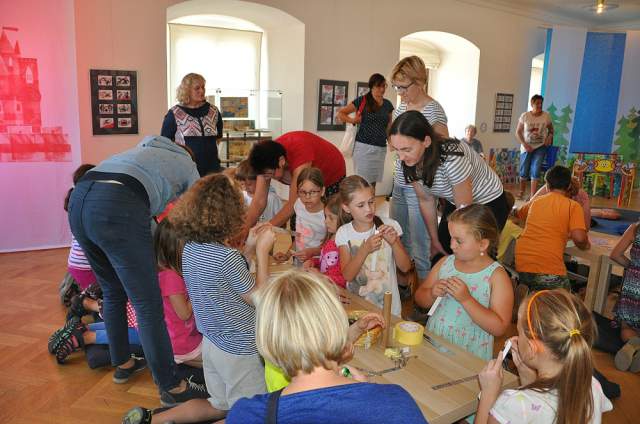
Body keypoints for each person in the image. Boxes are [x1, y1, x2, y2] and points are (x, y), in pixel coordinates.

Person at [128, 174, 276, 423]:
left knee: (218, 405)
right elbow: (260, 298)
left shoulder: (190, 249)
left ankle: (151, 420)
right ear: (231, 213)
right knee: (250, 414)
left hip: (212, 345)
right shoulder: (227, 257)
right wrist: (262, 253)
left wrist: (249, 248)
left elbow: (224, 281)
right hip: (240, 349)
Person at [67, 135, 204, 404]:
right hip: (117, 204)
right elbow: (198, 218)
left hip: (79, 200)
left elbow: (147, 221)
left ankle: (123, 363)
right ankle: (172, 387)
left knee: (113, 291)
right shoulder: (188, 165)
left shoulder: (143, 151)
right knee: (148, 305)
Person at [225, 270, 428, 424]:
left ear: (267, 341)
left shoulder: (246, 415)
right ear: (338, 325)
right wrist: (370, 393)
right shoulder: (395, 402)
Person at [476, 289, 613, 424]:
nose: (517, 337)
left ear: (531, 348)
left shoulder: (511, 405)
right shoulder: (592, 386)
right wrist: (527, 377)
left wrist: (488, 394)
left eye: (519, 332)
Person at [389, 111, 509, 260]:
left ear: (426, 141)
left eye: (407, 150)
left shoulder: (452, 158)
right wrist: (435, 240)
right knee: (440, 255)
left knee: (476, 255)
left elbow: (465, 211)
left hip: (489, 202)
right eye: (397, 149)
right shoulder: (407, 162)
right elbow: (425, 200)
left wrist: (457, 244)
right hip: (457, 201)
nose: (401, 157)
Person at [414, 204, 513, 360]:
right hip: (435, 341)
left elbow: (499, 327)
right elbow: (419, 298)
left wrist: (466, 299)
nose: (451, 245)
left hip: (469, 351)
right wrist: (432, 293)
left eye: (459, 241)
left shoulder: (497, 276)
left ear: (482, 244)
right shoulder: (445, 263)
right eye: (451, 237)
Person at [389, 55, 449, 281]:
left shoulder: (433, 110)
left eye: (403, 87)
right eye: (396, 87)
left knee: (421, 247)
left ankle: (425, 294)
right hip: (399, 183)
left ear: (420, 82)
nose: (399, 92)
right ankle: (403, 287)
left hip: (421, 187)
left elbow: (440, 151)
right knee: (398, 240)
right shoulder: (400, 108)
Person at [336, 175, 411, 316]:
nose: (368, 209)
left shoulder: (390, 225)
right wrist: (364, 250)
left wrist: (394, 242)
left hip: (389, 308)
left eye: (371, 202)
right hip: (357, 308)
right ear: (346, 207)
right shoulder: (344, 233)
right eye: (361, 205)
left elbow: (406, 267)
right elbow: (347, 275)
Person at [247, 131, 346, 230]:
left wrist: (267, 227)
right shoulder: (264, 162)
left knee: (328, 221)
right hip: (305, 173)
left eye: (270, 174)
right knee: (297, 223)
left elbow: (293, 204)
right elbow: (259, 200)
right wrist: (245, 228)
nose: (267, 179)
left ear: (281, 161)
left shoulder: (300, 154)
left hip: (332, 175)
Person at [514, 165, 590, 292]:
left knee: (538, 294)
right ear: (569, 186)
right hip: (548, 266)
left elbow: (518, 213)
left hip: (522, 261)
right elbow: (580, 238)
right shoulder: (573, 206)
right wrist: (585, 245)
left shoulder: (536, 201)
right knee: (564, 300)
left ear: (547, 186)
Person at [155, 218, 203, 368]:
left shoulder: (173, 269)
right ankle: (180, 361)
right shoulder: (171, 276)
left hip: (188, 337)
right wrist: (198, 286)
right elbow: (184, 314)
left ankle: (180, 361)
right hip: (184, 343)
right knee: (221, 363)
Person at [337, 73, 394, 189]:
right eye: (379, 86)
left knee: (373, 183)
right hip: (363, 148)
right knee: (362, 183)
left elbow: (388, 125)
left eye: (384, 86)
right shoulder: (362, 101)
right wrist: (353, 120)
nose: (382, 89)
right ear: (372, 86)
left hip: (380, 149)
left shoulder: (388, 104)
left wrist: (390, 141)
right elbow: (341, 114)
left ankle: (371, 201)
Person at [161, 73, 223, 177]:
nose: (201, 91)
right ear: (187, 90)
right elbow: (165, 143)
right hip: (185, 169)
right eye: (197, 88)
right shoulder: (174, 113)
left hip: (212, 170)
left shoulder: (214, 111)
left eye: (203, 87)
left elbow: (218, 137)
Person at [609, 221, 640, 371]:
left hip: (633, 286)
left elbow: (615, 255)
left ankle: (633, 343)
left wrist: (633, 268)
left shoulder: (636, 228)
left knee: (626, 326)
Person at [303, 194, 347, 288]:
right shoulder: (331, 237)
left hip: (336, 292)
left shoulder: (345, 245)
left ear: (343, 219)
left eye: (331, 218)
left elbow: (345, 280)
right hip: (324, 287)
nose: (326, 221)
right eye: (326, 216)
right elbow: (326, 262)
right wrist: (313, 262)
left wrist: (321, 277)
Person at [516, 94, 554, 200]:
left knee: (536, 169)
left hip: (540, 146)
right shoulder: (525, 116)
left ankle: (533, 195)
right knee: (524, 170)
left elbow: (551, 130)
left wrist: (549, 137)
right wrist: (525, 144)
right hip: (526, 147)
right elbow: (518, 132)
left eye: (541, 103)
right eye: (537, 103)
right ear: (532, 104)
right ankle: (521, 192)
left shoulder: (546, 116)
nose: (540, 105)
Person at [291, 167, 326, 262]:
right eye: (302, 192)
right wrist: (287, 254)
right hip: (298, 262)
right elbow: (299, 236)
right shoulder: (298, 204)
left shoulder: (327, 215)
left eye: (313, 192)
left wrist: (312, 252)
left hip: (317, 264)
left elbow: (330, 246)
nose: (307, 197)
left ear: (322, 191)